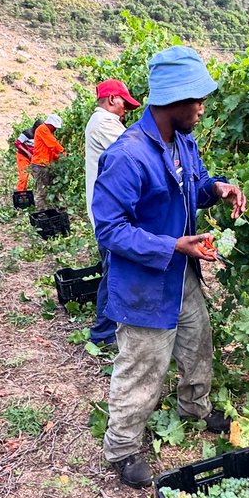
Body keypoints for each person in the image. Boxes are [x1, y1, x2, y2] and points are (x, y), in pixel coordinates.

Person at [91, 46, 246, 488]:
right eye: (195, 100)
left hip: (181, 277)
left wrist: (217, 188)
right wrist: (173, 245)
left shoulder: (182, 142)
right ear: (171, 101)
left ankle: (194, 409)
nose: (201, 108)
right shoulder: (127, 155)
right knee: (142, 368)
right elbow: (110, 230)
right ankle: (122, 449)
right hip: (145, 283)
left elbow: (191, 187)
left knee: (198, 346)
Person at [84, 79, 141, 348]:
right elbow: (136, 152)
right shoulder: (105, 124)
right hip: (110, 216)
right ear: (111, 100)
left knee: (115, 269)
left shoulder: (103, 123)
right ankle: (104, 335)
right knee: (114, 271)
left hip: (109, 211)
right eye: (124, 104)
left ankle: (111, 328)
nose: (126, 110)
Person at [30, 114, 65, 209]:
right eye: (54, 127)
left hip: (47, 164)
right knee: (42, 190)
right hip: (40, 165)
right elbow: (53, 145)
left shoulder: (48, 131)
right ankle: (41, 212)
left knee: (54, 186)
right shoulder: (43, 129)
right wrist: (64, 153)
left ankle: (59, 208)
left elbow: (52, 151)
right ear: (50, 124)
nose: (55, 129)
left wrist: (60, 159)